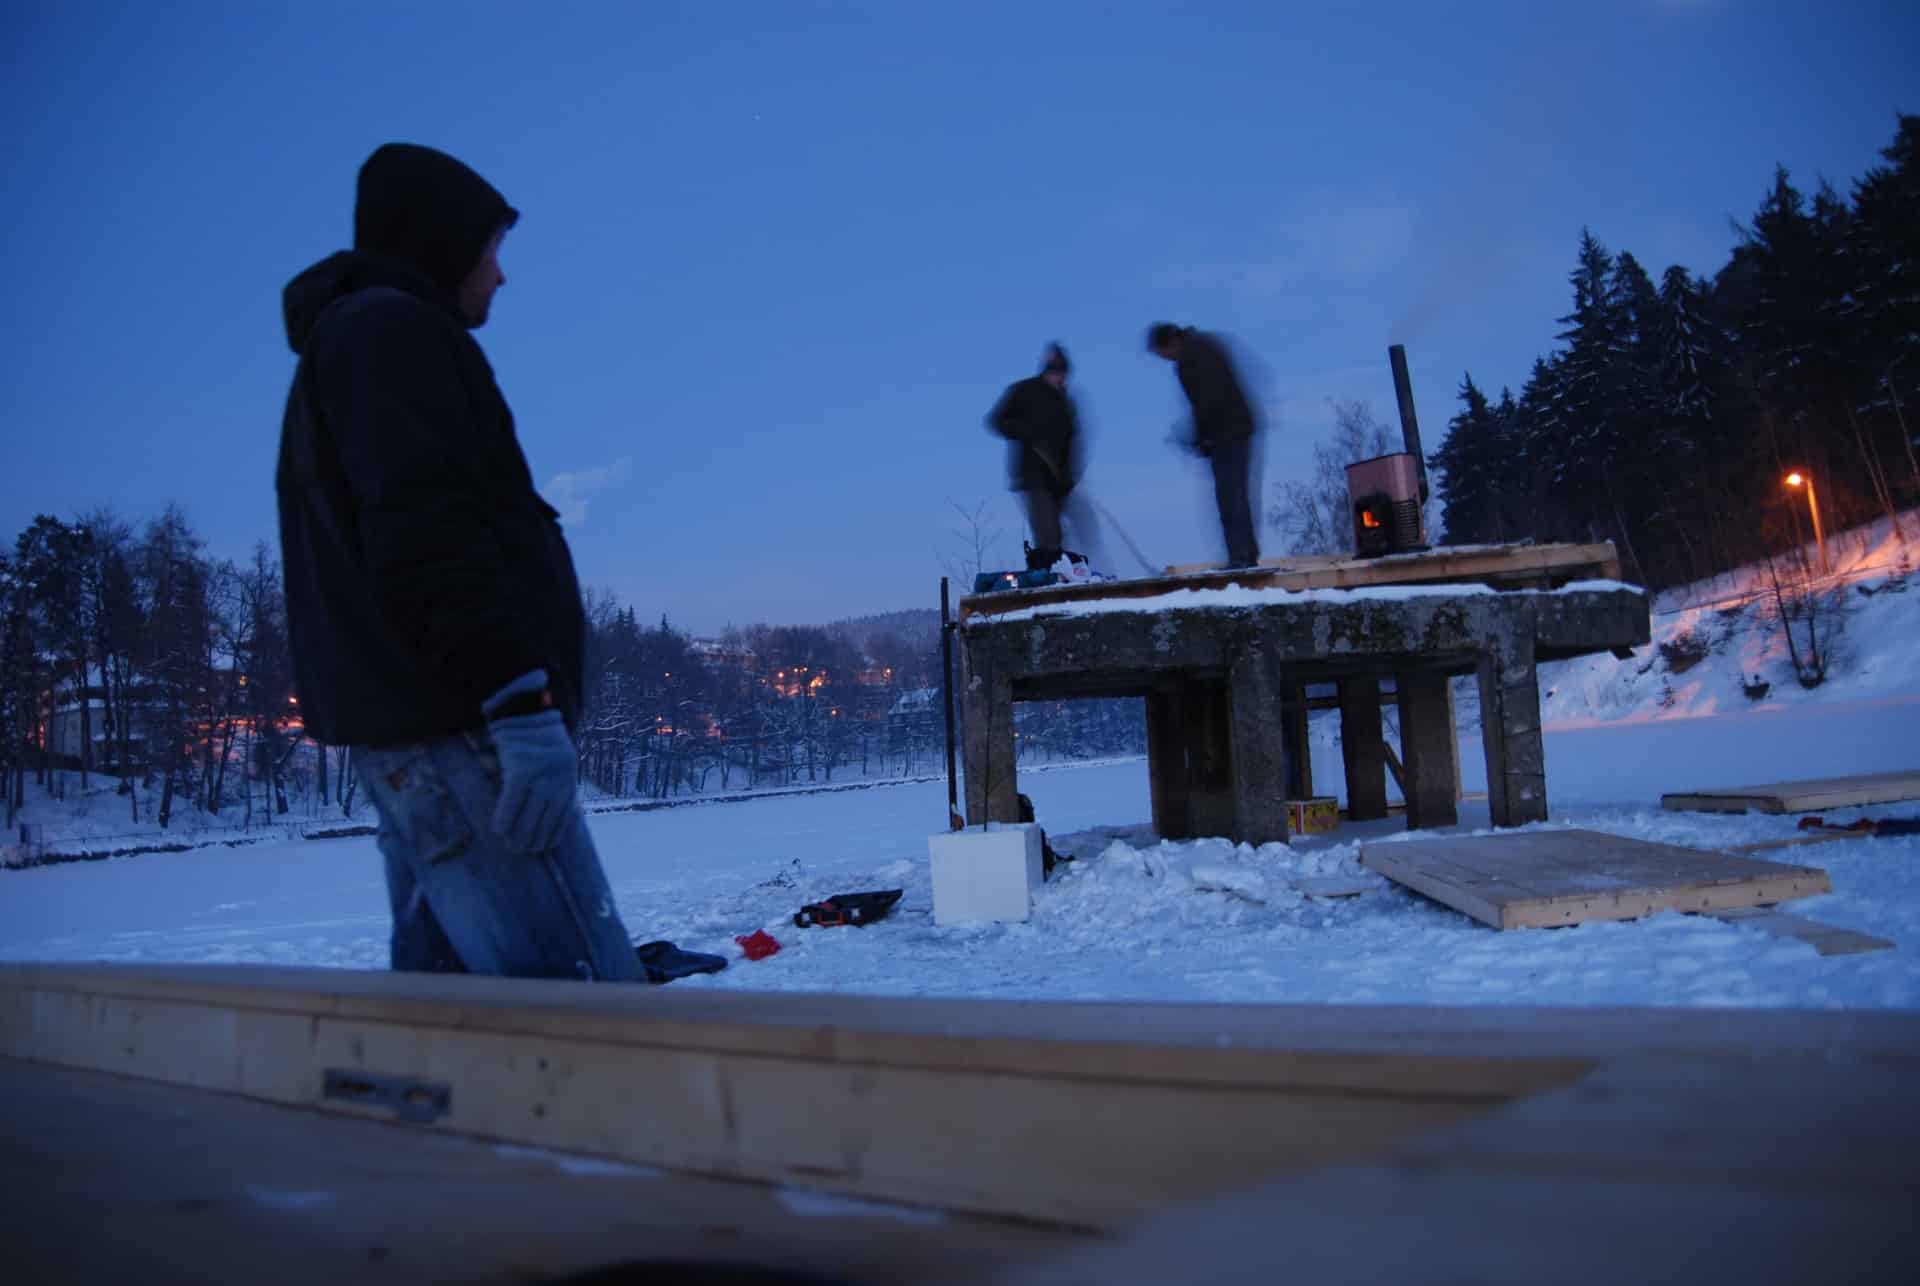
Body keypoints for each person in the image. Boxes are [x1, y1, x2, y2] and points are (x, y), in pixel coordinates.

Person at [276, 143, 644, 982]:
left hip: (422, 739)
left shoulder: (353, 341)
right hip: (467, 740)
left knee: (450, 1018)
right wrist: (517, 705)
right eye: (492, 249)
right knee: (584, 1020)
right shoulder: (391, 333)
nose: (501, 275)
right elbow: (427, 531)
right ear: (441, 243)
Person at [1146, 322, 1263, 568]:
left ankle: (1242, 557)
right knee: (1233, 495)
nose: (1163, 359)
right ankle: (1244, 554)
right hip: (1230, 431)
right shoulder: (1197, 351)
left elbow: (1210, 400)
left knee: (1231, 496)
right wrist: (1201, 438)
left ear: (1170, 343)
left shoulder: (1196, 355)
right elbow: (1206, 403)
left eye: (1161, 353)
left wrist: (1203, 438)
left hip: (1231, 433)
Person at [986, 342, 1081, 567]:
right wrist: (1024, 431)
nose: (1060, 378)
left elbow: (1071, 441)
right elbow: (996, 420)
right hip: (1033, 475)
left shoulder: (1065, 402)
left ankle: (1062, 570)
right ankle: (1049, 570)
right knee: (1047, 532)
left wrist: (1069, 476)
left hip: (1058, 480)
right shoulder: (1024, 391)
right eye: (1055, 372)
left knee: (1060, 532)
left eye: (1063, 374)